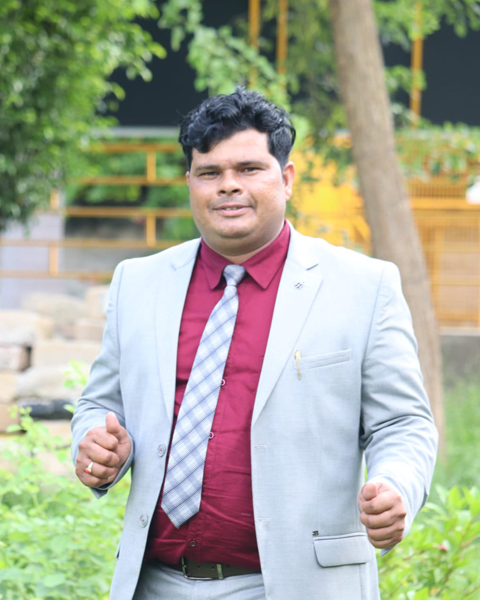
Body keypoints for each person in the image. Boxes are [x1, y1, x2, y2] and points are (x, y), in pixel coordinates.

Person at [71, 88, 437, 600]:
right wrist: (95, 444)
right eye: (209, 172)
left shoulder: (363, 286)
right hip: (154, 582)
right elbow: (99, 404)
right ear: (190, 182)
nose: (228, 185)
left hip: (297, 585)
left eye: (248, 169)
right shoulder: (139, 283)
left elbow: (402, 423)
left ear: (286, 178)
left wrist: (396, 486)